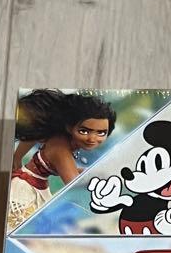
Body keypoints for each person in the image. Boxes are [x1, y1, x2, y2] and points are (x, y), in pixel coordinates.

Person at [8, 90, 117, 231]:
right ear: (69, 127)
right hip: (26, 190)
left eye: (101, 133)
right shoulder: (61, 149)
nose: (92, 139)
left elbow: (66, 169)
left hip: (37, 186)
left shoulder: (61, 137)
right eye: (84, 131)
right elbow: (74, 182)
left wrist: (17, 156)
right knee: (21, 228)